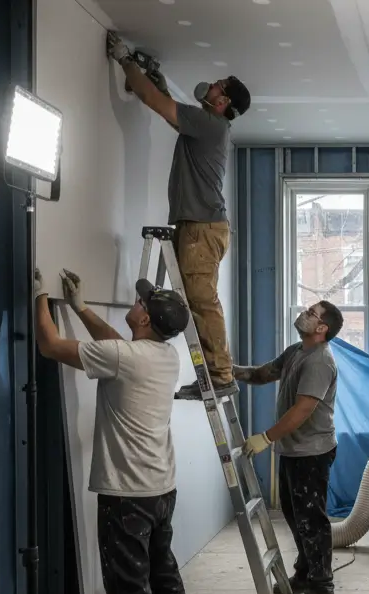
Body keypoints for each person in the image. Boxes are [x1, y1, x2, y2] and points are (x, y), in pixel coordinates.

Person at [33, 268, 199, 594]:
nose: (136, 302)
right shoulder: (163, 355)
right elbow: (115, 345)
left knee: (129, 586)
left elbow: (50, 345)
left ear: (144, 319)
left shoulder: (127, 357)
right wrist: (82, 308)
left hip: (127, 494)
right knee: (163, 573)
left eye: (141, 302)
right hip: (161, 487)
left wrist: (38, 297)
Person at [106, 31, 252, 400]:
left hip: (201, 229)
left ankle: (220, 377)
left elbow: (154, 102)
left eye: (218, 86)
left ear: (222, 101)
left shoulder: (211, 124)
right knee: (199, 300)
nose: (212, 85)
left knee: (202, 302)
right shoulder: (206, 124)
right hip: (201, 226)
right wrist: (153, 77)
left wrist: (124, 59)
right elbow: (170, 112)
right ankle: (218, 375)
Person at [234, 301, 344, 594]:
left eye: (313, 313)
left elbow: (304, 409)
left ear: (322, 329)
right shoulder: (297, 351)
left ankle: (323, 587)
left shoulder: (320, 361)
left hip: (312, 452)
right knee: (296, 518)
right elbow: (262, 373)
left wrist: (266, 437)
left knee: (312, 521)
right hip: (295, 450)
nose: (305, 313)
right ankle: (306, 572)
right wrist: (229, 372)